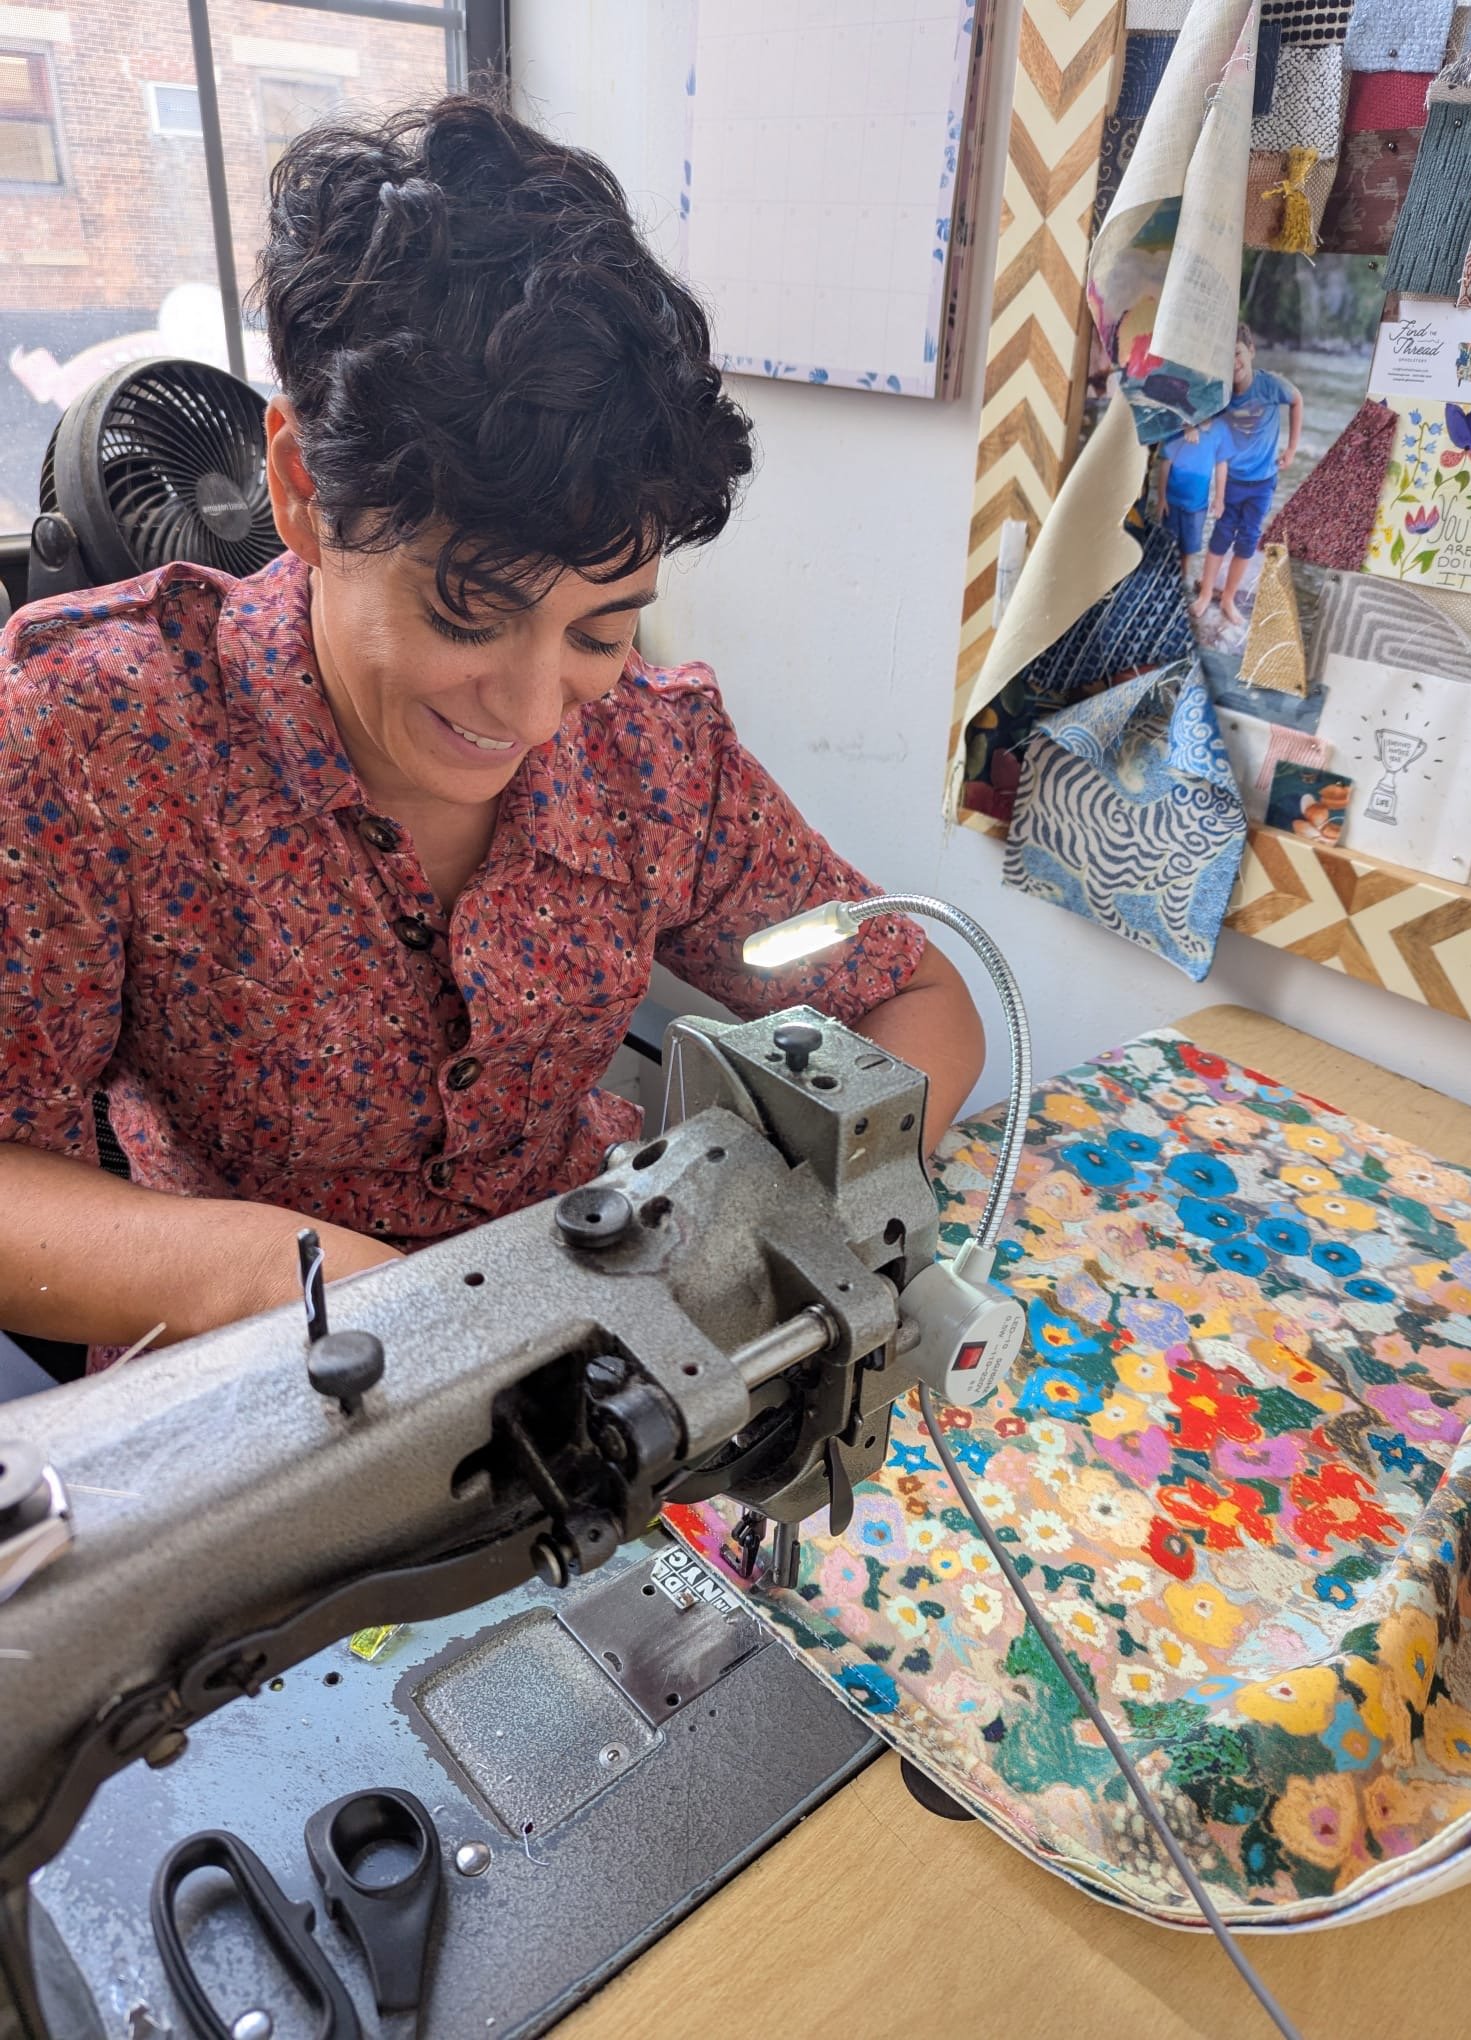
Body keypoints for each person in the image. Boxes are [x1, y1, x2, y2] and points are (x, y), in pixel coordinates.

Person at [0, 98, 984, 1366]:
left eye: (599, 630)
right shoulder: (94, 745)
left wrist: (796, 1223)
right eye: (468, 610)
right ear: (301, 492)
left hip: (594, 1338)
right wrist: (273, 1276)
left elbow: (914, 990)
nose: (530, 717)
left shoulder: (654, 761)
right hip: (255, 1375)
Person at [1191, 325, 1303, 626]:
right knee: (1220, 536)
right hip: (1232, 480)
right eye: (1225, 358)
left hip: (1263, 483)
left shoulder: (1270, 386)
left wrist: (1292, 449)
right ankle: (1204, 595)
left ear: (1251, 351)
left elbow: (1296, 400)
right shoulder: (1222, 395)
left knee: (1248, 540)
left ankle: (1227, 597)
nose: (1233, 362)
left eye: (1237, 353)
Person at [1153, 420, 1229, 579]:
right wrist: (1161, 498)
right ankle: (1166, 579)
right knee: (1167, 545)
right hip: (1172, 500)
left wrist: (1219, 498)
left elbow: (1222, 463)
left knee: (1188, 549)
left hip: (1197, 504)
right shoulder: (1178, 428)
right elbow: (1166, 463)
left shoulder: (1220, 429)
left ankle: (1183, 579)